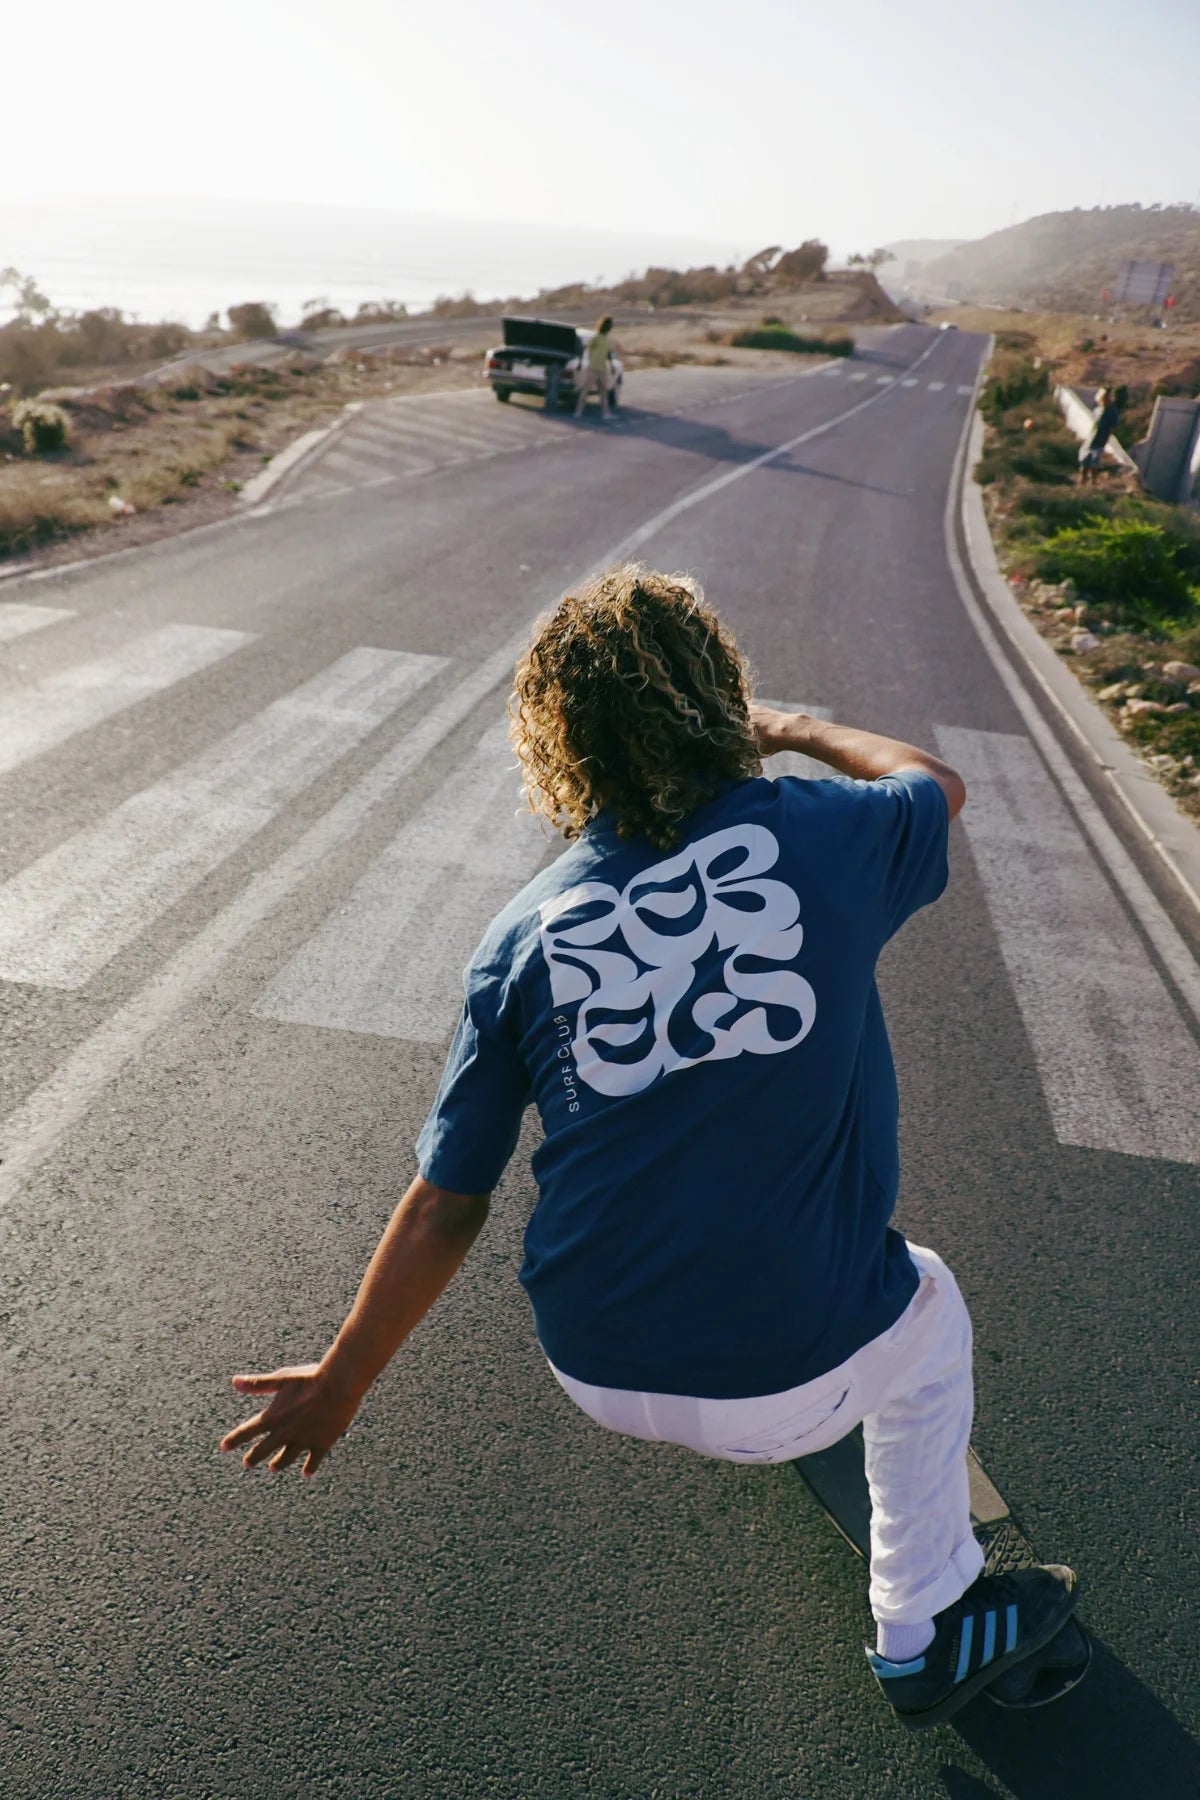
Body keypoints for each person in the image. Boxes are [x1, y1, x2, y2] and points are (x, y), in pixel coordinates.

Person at [220, 565, 1077, 1729]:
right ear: (717, 701)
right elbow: (938, 782)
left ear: (557, 741)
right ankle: (921, 1629)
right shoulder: (818, 834)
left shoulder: (518, 935)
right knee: (932, 1307)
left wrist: (342, 1382)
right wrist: (796, 730)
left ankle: (800, 1414)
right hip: (791, 1367)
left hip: (598, 1367)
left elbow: (443, 1204)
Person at [1078, 385, 1122, 484]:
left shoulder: (1112, 412)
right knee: (1085, 463)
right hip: (1090, 440)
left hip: (1099, 442)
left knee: (1094, 465)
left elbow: (1111, 428)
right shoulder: (1097, 410)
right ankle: (1082, 483)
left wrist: (1105, 442)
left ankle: (1093, 483)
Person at [574, 314, 614, 420]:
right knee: (585, 390)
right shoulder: (596, 337)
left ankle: (605, 413)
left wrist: (612, 365)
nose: (611, 327)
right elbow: (585, 348)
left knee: (604, 392)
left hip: (603, 369)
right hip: (592, 368)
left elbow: (608, 354)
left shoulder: (607, 339)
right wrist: (580, 362)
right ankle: (578, 411)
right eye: (610, 325)